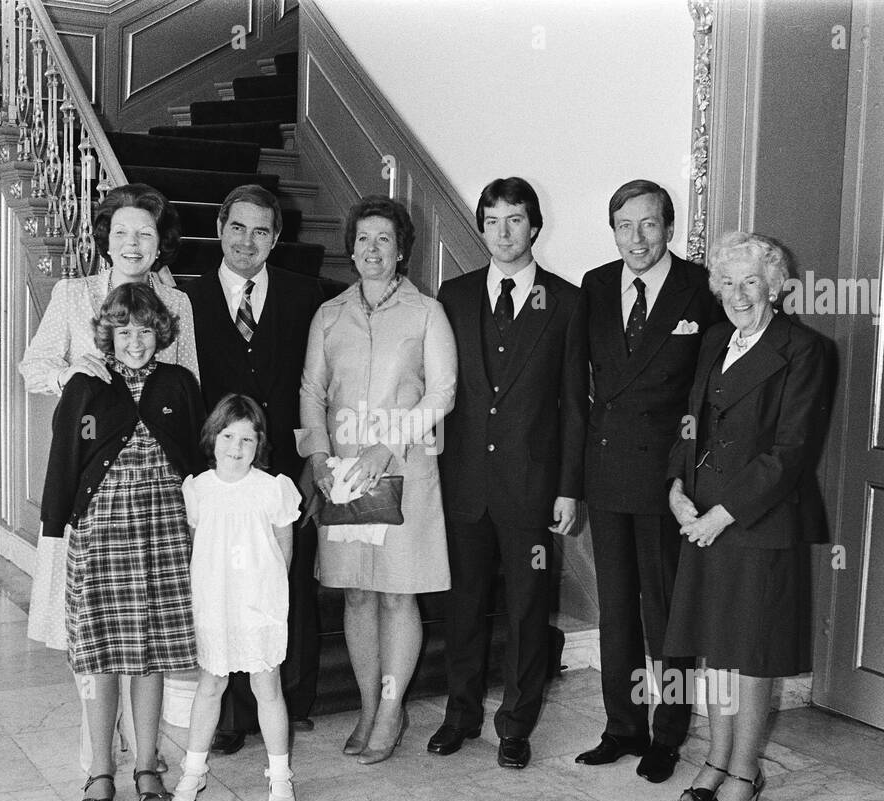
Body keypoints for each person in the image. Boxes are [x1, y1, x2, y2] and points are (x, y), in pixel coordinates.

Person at [19, 182, 199, 771]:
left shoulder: (177, 306)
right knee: (94, 631)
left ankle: (143, 746)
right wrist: (79, 369)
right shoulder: (74, 296)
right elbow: (32, 367)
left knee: (147, 633)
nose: (133, 242)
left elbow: (186, 381)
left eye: (145, 232)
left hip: (155, 488)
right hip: (92, 480)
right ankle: (99, 747)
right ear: (105, 239)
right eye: (121, 231)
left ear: (159, 242)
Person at [664, 231, 831, 801]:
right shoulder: (713, 340)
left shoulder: (805, 350)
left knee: (751, 652)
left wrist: (722, 514)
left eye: (751, 282)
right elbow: (690, 425)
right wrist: (677, 489)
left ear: (774, 287)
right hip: (702, 515)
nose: (739, 294)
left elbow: (790, 452)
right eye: (728, 283)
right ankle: (715, 756)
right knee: (716, 650)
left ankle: (744, 770)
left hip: (757, 521)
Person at [430, 177, 587, 768]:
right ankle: (460, 714)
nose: (503, 232)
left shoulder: (566, 302)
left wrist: (569, 487)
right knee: (464, 605)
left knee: (526, 609)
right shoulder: (454, 295)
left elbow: (575, 406)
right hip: (464, 484)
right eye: (492, 221)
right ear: (481, 227)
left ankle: (516, 725)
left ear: (534, 226)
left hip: (532, 489)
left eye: (515, 220)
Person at [297, 195, 457, 765]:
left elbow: (442, 393)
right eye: (363, 239)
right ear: (351, 247)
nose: (372, 249)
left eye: (384, 239)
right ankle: (368, 706)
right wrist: (317, 456)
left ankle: (392, 707)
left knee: (396, 594)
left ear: (402, 249)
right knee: (357, 593)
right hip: (343, 474)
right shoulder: (329, 314)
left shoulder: (426, 314)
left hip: (403, 468)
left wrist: (389, 446)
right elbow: (312, 392)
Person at [40, 282, 206, 801]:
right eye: (124, 331)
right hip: (101, 531)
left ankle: (147, 764)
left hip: (164, 532)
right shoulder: (87, 385)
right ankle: (101, 771)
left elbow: (198, 459)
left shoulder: (179, 384)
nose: (135, 342)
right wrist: (53, 529)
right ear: (108, 333)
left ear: (162, 332)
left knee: (151, 651)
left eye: (146, 330)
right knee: (101, 654)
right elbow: (65, 457)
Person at [577, 180, 724, 783]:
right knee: (616, 609)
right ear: (612, 230)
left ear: (669, 226)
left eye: (649, 224)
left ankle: (668, 734)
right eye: (624, 225)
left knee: (668, 613)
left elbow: (712, 395)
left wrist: (688, 477)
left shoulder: (701, 288)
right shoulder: (593, 285)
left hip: (669, 480)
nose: (637, 238)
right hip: (607, 472)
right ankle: (623, 727)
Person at [182, 184, 328, 755]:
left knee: (285, 579)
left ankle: (291, 698)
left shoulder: (304, 294)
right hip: (219, 471)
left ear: (276, 238)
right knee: (225, 585)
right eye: (238, 228)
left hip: (286, 471)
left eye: (261, 230)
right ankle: (231, 714)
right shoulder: (187, 300)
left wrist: (313, 462)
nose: (248, 241)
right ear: (220, 229)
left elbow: (316, 385)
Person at [171, 395, 303, 801]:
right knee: (211, 686)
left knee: (268, 687)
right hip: (214, 604)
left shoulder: (271, 488)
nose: (236, 447)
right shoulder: (197, 490)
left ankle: (280, 776)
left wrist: (266, 592)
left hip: (257, 605)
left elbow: (284, 547)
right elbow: (194, 547)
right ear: (213, 437)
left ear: (259, 444)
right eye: (229, 436)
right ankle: (194, 768)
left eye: (248, 439)